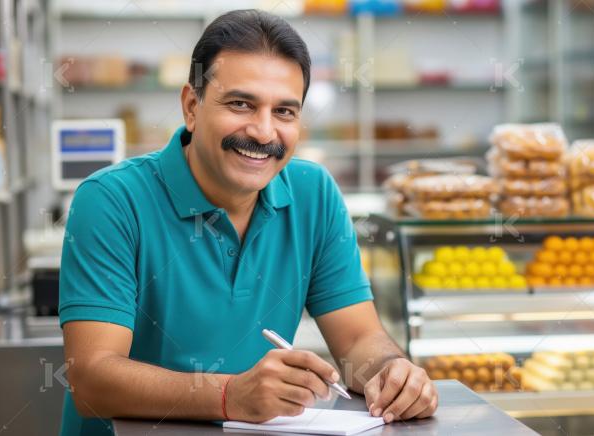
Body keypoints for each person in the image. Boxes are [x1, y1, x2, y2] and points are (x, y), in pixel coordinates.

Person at [59, 9, 437, 436]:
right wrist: (229, 396)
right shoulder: (111, 199)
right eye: (241, 104)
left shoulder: (314, 192)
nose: (263, 131)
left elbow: (356, 341)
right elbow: (90, 379)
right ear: (191, 106)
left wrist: (391, 372)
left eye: (284, 112)